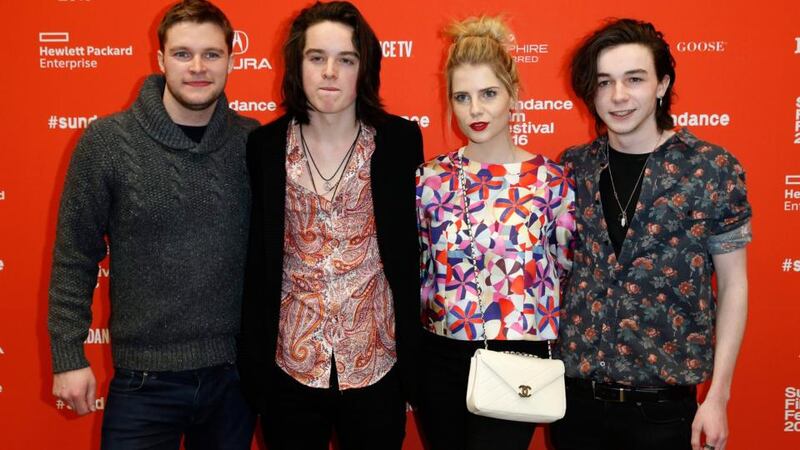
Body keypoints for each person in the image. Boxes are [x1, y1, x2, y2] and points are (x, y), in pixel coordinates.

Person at [48, 1, 257, 448]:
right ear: (160, 59)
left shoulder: (253, 143)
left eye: (211, 54)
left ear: (231, 60)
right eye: (182, 54)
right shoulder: (106, 142)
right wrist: (68, 356)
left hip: (233, 380)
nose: (197, 67)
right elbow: (75, 256)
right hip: (143, 383)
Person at [551, 18, 751, 450]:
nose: (618, 96)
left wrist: (718, 395)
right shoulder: (572, 167)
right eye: (604, 82)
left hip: (664, 411)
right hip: (575, 404)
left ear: (662, 85)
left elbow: (734, 285)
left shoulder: (711, 169)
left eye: (634, 79)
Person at [237, 2, 424, 449]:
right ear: (297, 65)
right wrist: (258, 375)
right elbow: (258, 260)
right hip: (288, 370)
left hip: (377, 366)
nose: (330, 72)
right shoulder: (263, 146)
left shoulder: (399, 142)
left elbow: (409, 254)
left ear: (365, 68)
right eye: (316, 57)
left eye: (346, 59)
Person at [414, 16, 576, 450]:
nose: (476, 110)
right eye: (462, 97)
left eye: (488, 94)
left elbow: (564, 270)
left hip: (519, 357)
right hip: (440, 358)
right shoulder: (429, 179)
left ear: (513, 96)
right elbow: (416, 268)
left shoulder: (552, 181)